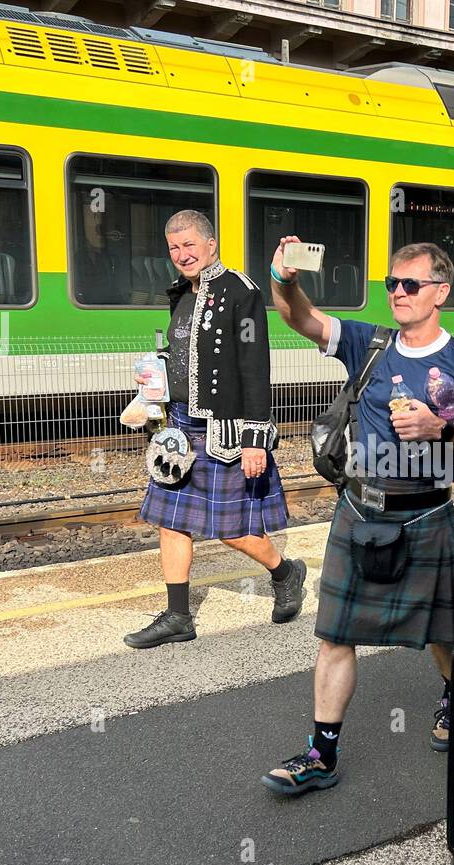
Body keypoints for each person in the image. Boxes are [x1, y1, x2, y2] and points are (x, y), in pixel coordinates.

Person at [261, 237, 454, 794]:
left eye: (411, 285)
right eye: (392, 284)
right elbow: (299, 318)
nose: (398, 293)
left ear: (440, 292)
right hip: (360, 510)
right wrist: (284, 279)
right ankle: (321, 755)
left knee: (448, 632)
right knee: (335, 634)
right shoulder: (368, 344)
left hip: (426, 516)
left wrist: (440, 429)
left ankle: (453, 697)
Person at [125, 210, 306, 648]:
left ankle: (286, 572)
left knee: (232, 530)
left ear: (211, 245)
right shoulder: (180, 294)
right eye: (173, 248)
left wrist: (255, 438)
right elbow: (185, 353)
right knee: (171, 522)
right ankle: (178, 617)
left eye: (189, 245)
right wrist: (158, 373)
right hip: (180, 426)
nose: (181, 255)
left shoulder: (240, 292)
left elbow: (254, 368)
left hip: (224, 429)